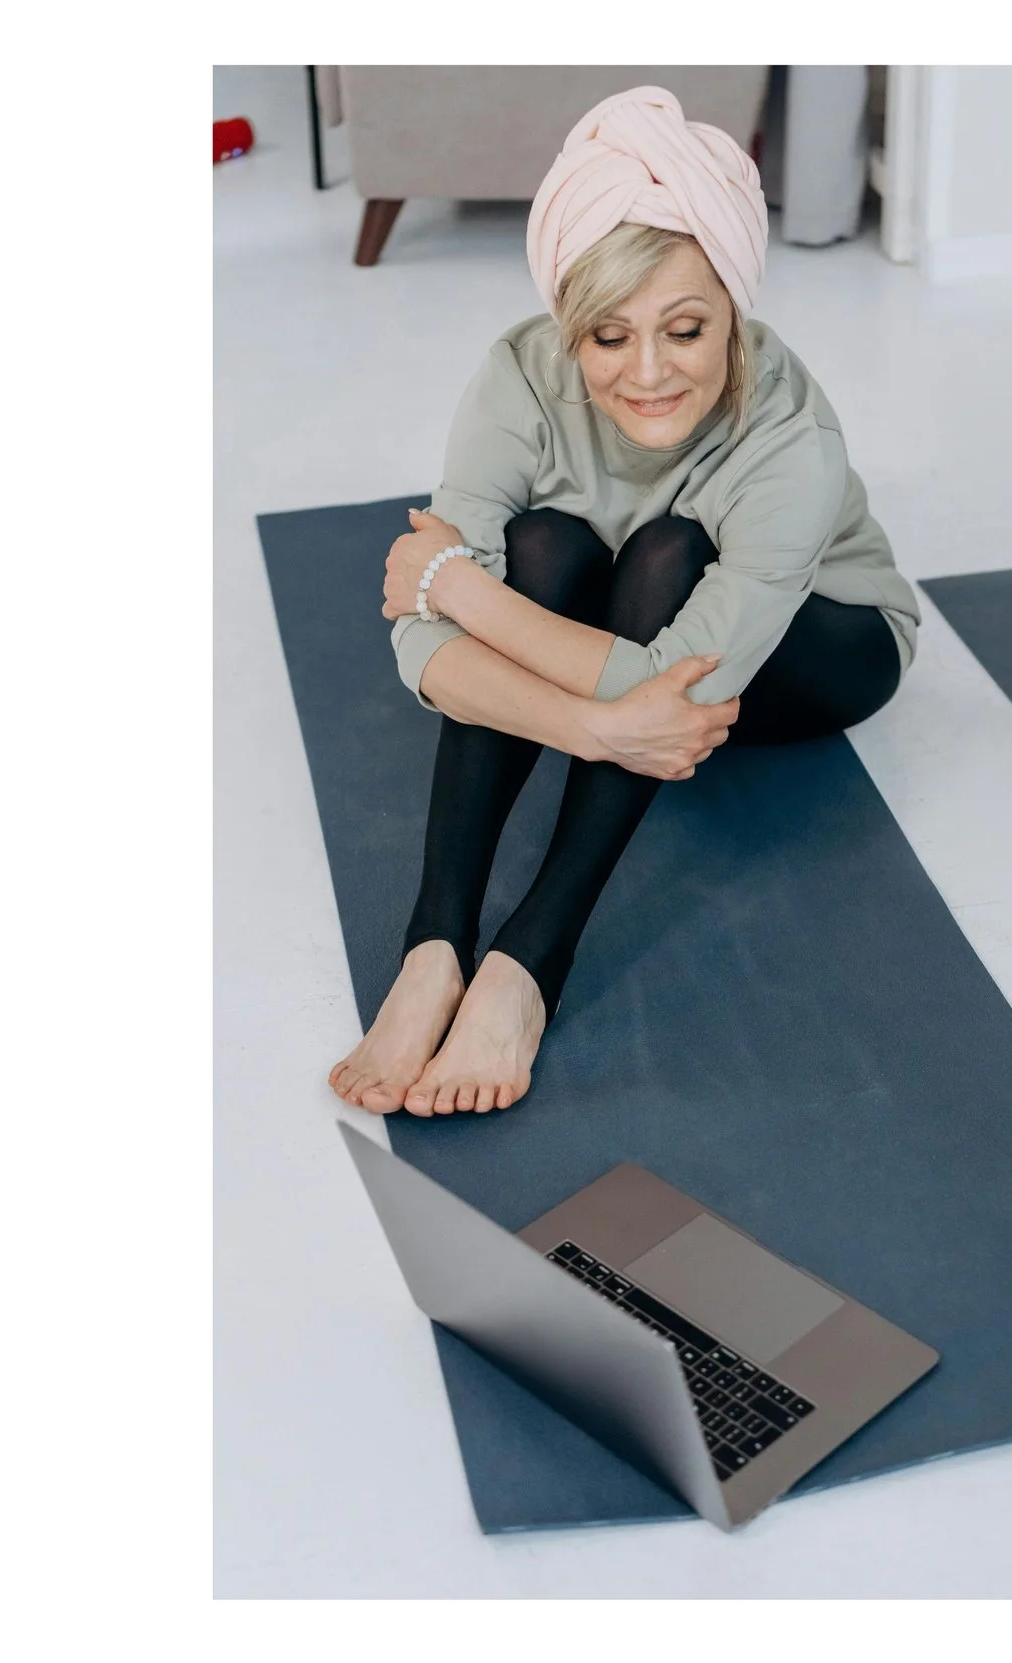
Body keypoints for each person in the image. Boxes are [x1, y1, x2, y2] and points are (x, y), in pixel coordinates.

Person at [329, 87, 920, 1118]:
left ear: (734, 308)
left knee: (664, 549)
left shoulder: (790, 438)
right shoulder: (520, 374)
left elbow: (669, 687)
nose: (648, 374)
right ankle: (435, 947)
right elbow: (413, 650)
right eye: (608, 337)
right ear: (570, 327)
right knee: (542, 544)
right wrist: (595, 723)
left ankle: (527, 964)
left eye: (686, 329)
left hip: (823, 646)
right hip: (624, 666)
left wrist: (454, 587)